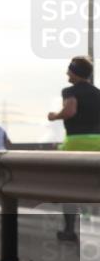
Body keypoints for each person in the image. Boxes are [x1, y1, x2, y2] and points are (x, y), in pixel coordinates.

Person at [47, 56, 100, 240]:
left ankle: (69, 230)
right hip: (98, 142)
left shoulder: (70, 91)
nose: (67, 74)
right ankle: (87, 215)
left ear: (75, 72)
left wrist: (54, 116)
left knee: (68, 186)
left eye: (69, 70)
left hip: (76, 141)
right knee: (92, 183)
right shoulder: (98, 93)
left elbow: (70, 111)